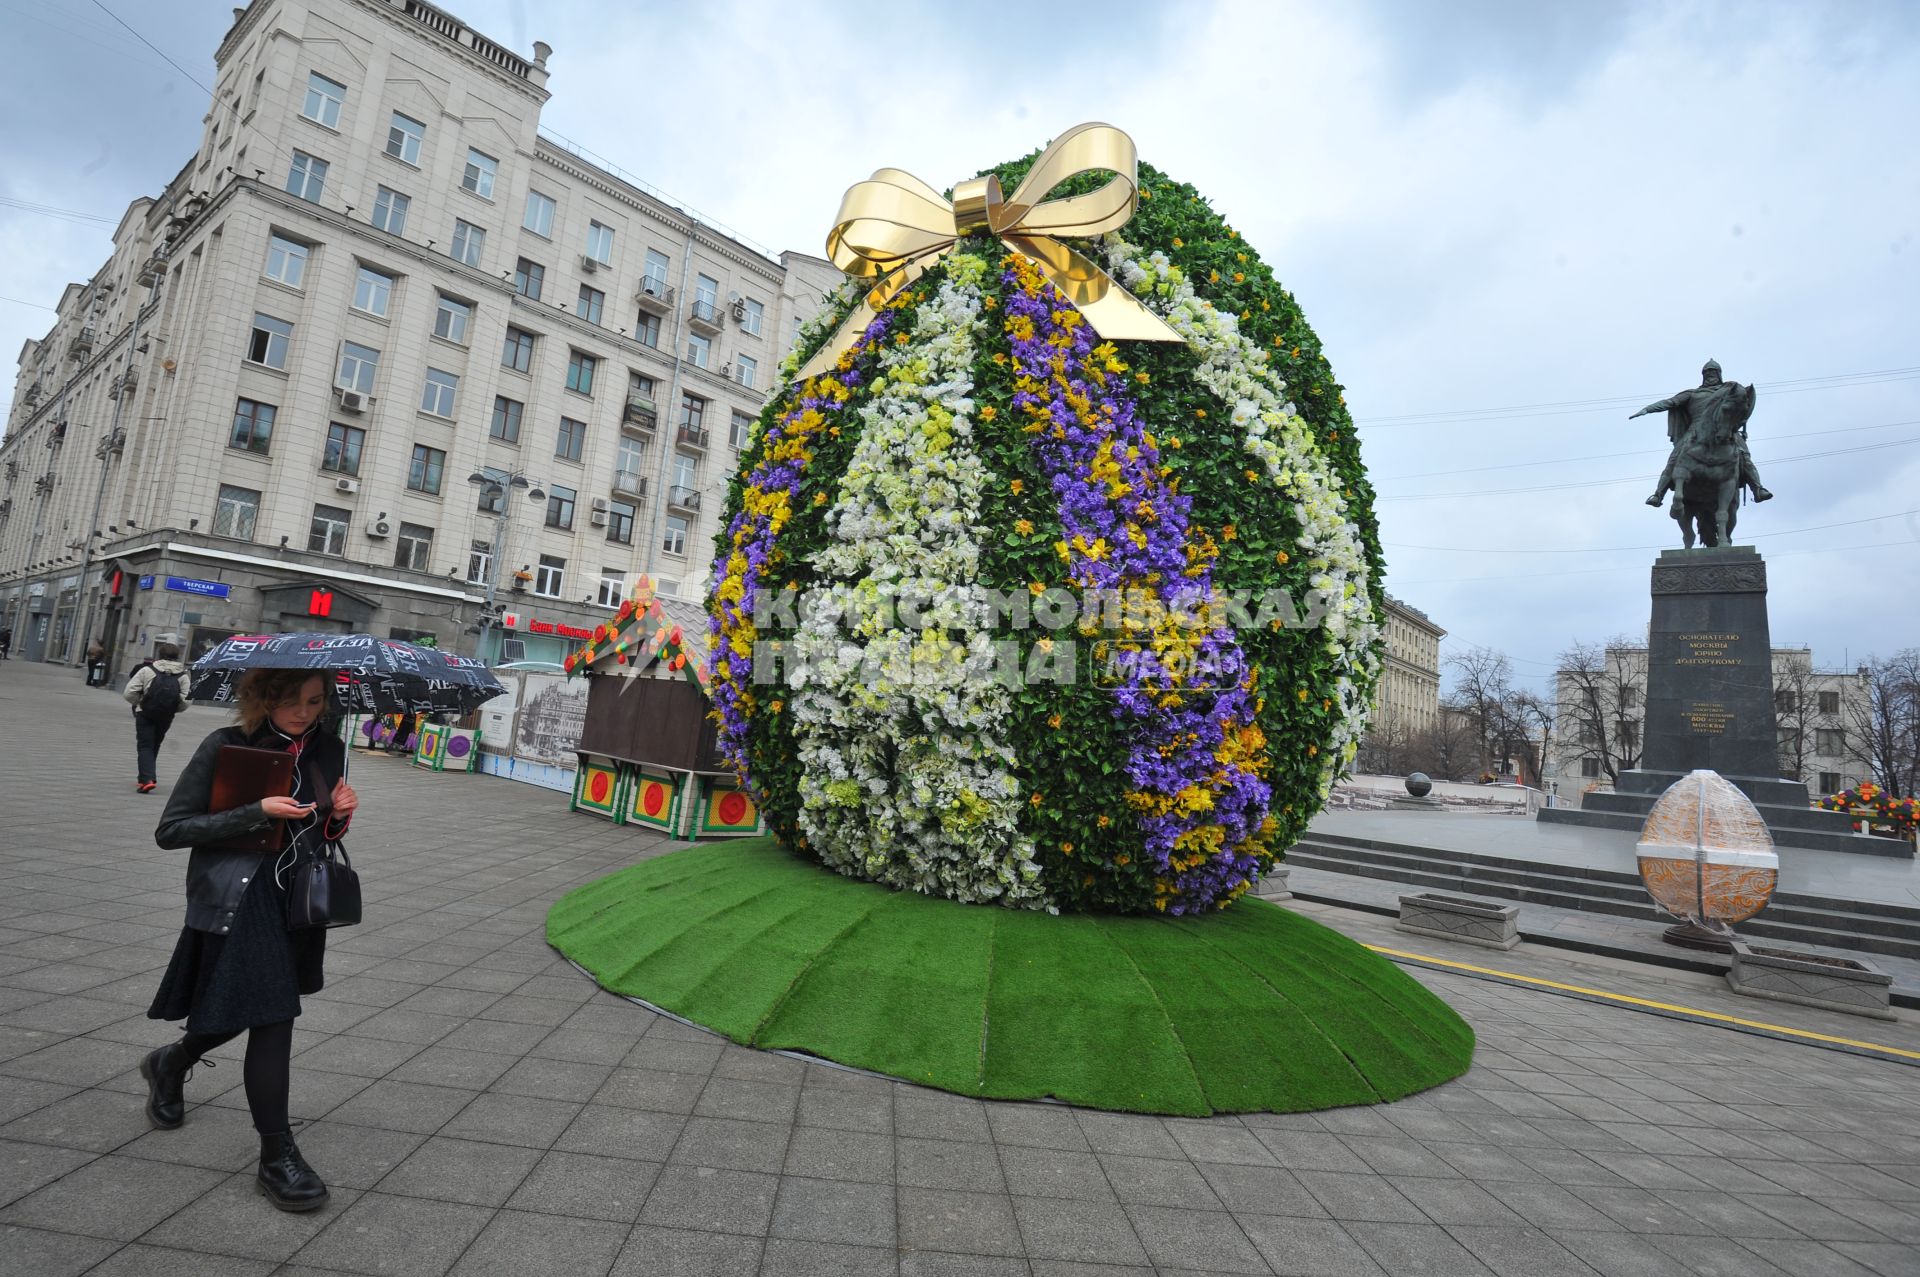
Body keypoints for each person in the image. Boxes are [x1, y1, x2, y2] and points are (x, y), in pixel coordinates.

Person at [139, 668, 358, 1212]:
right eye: (290, 702)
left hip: (296, 902)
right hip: (241, 898)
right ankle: (276, 1155)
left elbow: (317, 827)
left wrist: (338, 817)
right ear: (262, 699)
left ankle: (171, 1061)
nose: (304, 713)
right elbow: (173, 830)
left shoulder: (329, 748)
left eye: (314, 701)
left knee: (243, 1009)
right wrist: (255, 812)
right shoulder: (228, 745)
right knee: (273, 1015)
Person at [124, 642, 192, 792]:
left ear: (159, 655)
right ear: (178, 656)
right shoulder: (183, 675)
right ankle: (146, 777)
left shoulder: (147, 670)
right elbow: (186, 700)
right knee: (155, 744)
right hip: (166, 715)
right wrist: (174, 708)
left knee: (145, 746)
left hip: (146, 713)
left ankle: (147, 778)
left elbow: (129, 692)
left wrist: (140, 703)